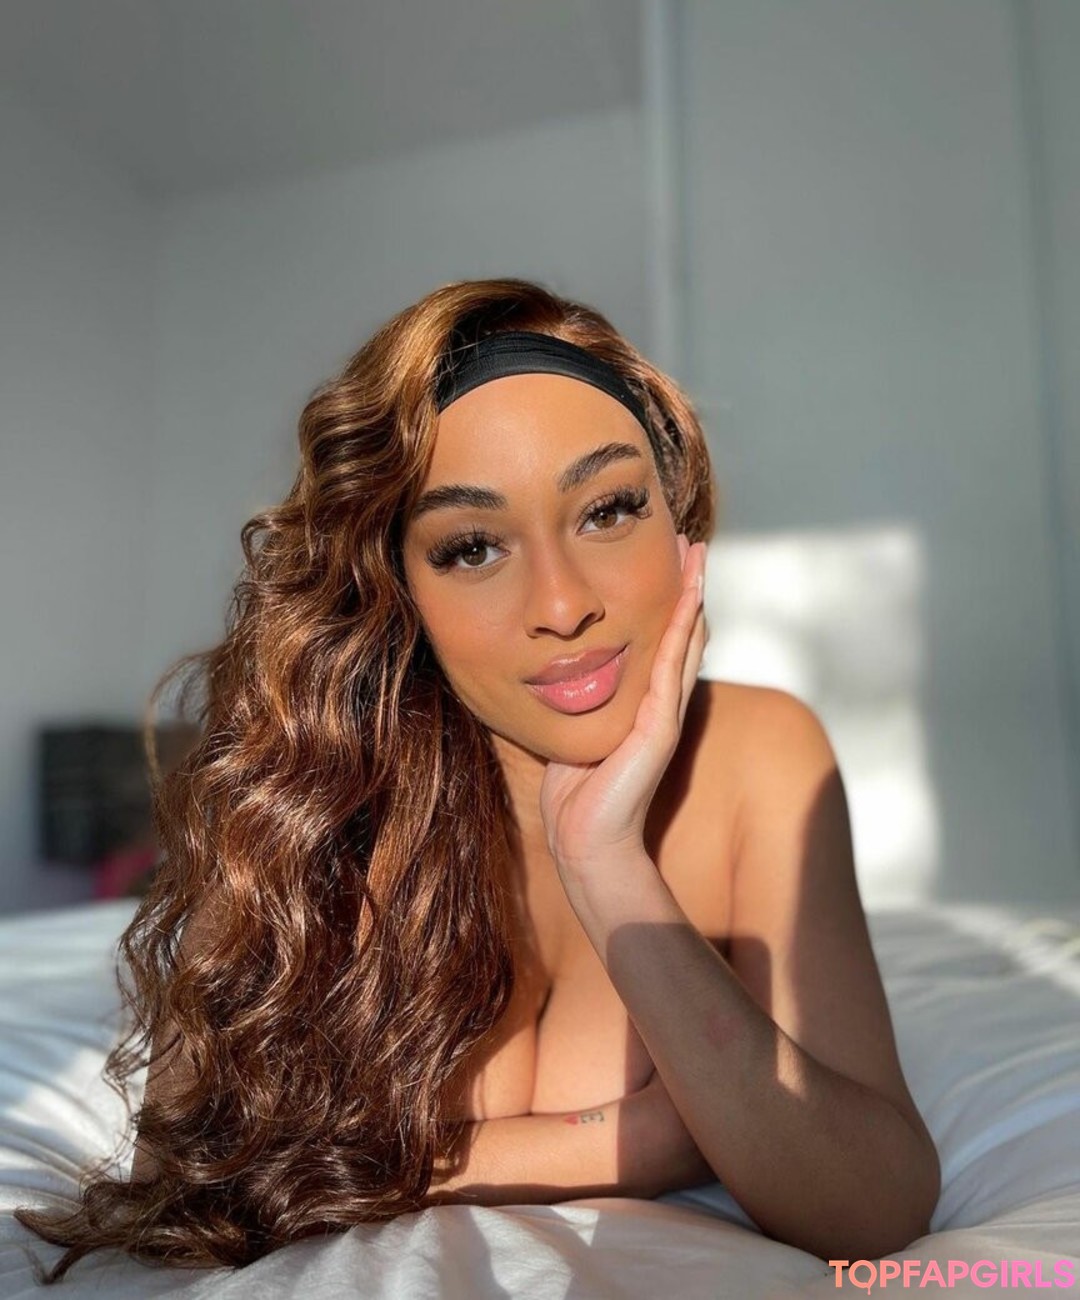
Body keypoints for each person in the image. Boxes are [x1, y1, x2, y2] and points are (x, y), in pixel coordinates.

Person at [16, 277, 939, 1279]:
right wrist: (651, 1137)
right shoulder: (307, 788)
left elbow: (872, 1206)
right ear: (396, 584)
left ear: (680, 524)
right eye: (471, 548)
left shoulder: (763, 753)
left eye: (608, 509)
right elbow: (186, 1178)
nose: (562, 604)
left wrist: (607, 863)